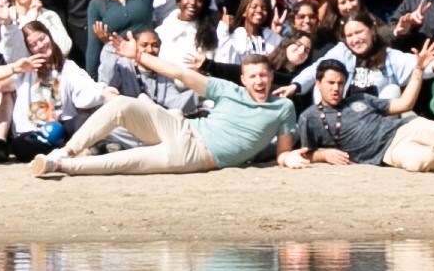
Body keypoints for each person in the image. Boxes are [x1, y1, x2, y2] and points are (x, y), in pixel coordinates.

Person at [33, 52, 300, 178]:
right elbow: (180, 73)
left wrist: (293, 158)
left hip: (196, 156)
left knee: (121, 163)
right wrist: (138, 55)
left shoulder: (282, 108)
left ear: (271, 76)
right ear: (244, 79)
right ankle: (65, 152)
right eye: (253, 76)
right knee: (121, 104)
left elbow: (283, 153)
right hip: (182, 127)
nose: (259, 81)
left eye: (263, 75)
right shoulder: (229, 89)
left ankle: (56, 166)